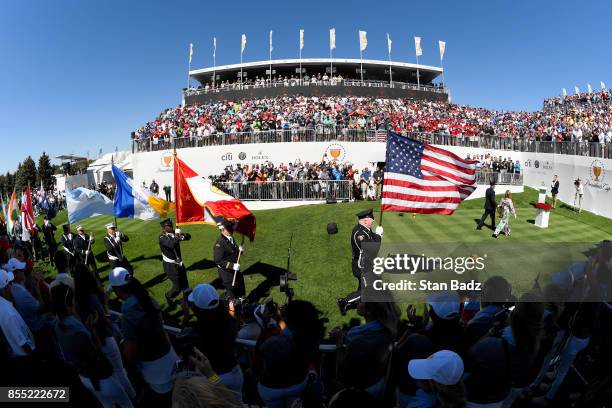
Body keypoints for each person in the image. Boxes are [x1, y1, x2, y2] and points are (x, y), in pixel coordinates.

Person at [51, 284, 134, 408]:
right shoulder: (76, 331)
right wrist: (93, 332)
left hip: (85, 377)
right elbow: (98, 352)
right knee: (125, 403)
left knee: (107, 404)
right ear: (69, 304)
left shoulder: (58, 324)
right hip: (100, 377)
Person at [109, 267, 179, 396]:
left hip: (155, 371)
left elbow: (130, 355)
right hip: (170, 358)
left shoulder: (128, 314)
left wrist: (122, 345)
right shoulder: (150, 300)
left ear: (117, 290)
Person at [73, 264, 136, 400]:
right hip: (105, 337)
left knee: (112, 372)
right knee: (120, 370)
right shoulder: (92, 298)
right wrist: (105, 303)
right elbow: (105, 319)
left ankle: (123, 395)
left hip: (94, 342)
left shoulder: (76, 301)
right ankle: (132, 395)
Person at [258, 300, 324, 408]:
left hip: (272, 389)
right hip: (298, 385)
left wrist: (266, 325)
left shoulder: (275, 343)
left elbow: (260, 349)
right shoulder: (311, 339)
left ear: (288, 320)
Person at [181, 284, 243, 396]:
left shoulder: (197, 332)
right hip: (236, 373)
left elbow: (183, 341)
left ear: (196, 307)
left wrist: (185, 318)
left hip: (215, 377)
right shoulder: (228, 322)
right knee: (236, 403)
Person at [336, 301, 400, 398]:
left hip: (360, 391)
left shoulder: (355, 334)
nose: (357, 302)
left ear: (369, 311)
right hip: (379, 384)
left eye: (361, 301)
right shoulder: (391, 328)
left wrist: (339, 342)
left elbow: (342, 373)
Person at [337, 209, 383, 315]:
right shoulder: (360, 234)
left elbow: (372, 239)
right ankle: (344, 302)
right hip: (361, 266)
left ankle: (363, 305)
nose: (373, 221)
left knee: (363, 287)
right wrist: (379, 236)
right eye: (372, 219)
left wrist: (377, 234)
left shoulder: (365, 230)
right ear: (366, 220)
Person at [0, 268, 36, 357]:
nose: (12, 286)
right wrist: (34, 356)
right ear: (5, 288)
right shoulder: (9, 314)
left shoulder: (3, 304)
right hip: (24, 356)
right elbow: (23, 343)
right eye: (10, 283)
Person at [158, 219, 191, 311]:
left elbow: (189, 236)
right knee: (177, 287)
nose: (171, 227)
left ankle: (188, 301)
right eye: (169, 226)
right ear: (164, 228)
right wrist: (177, 236)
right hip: (170, 266)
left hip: (180, 263)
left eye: (171, 225)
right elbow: (171, 245)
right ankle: (168, 295)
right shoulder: (162, 237)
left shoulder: (174, 233)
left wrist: (183, 236)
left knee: (185, 284)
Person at [213, 219, 245, 301]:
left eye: (231, 228)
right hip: (227, 275)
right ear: (222, 230)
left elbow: (233, 252)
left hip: (236, 271)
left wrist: (240, 250)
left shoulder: (230, 237)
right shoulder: (219, 244)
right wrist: (232, 266)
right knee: (233, 297)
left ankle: (243, 304)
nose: (232, 230)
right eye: (229, 228)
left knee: (241, 292)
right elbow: (218, 261)